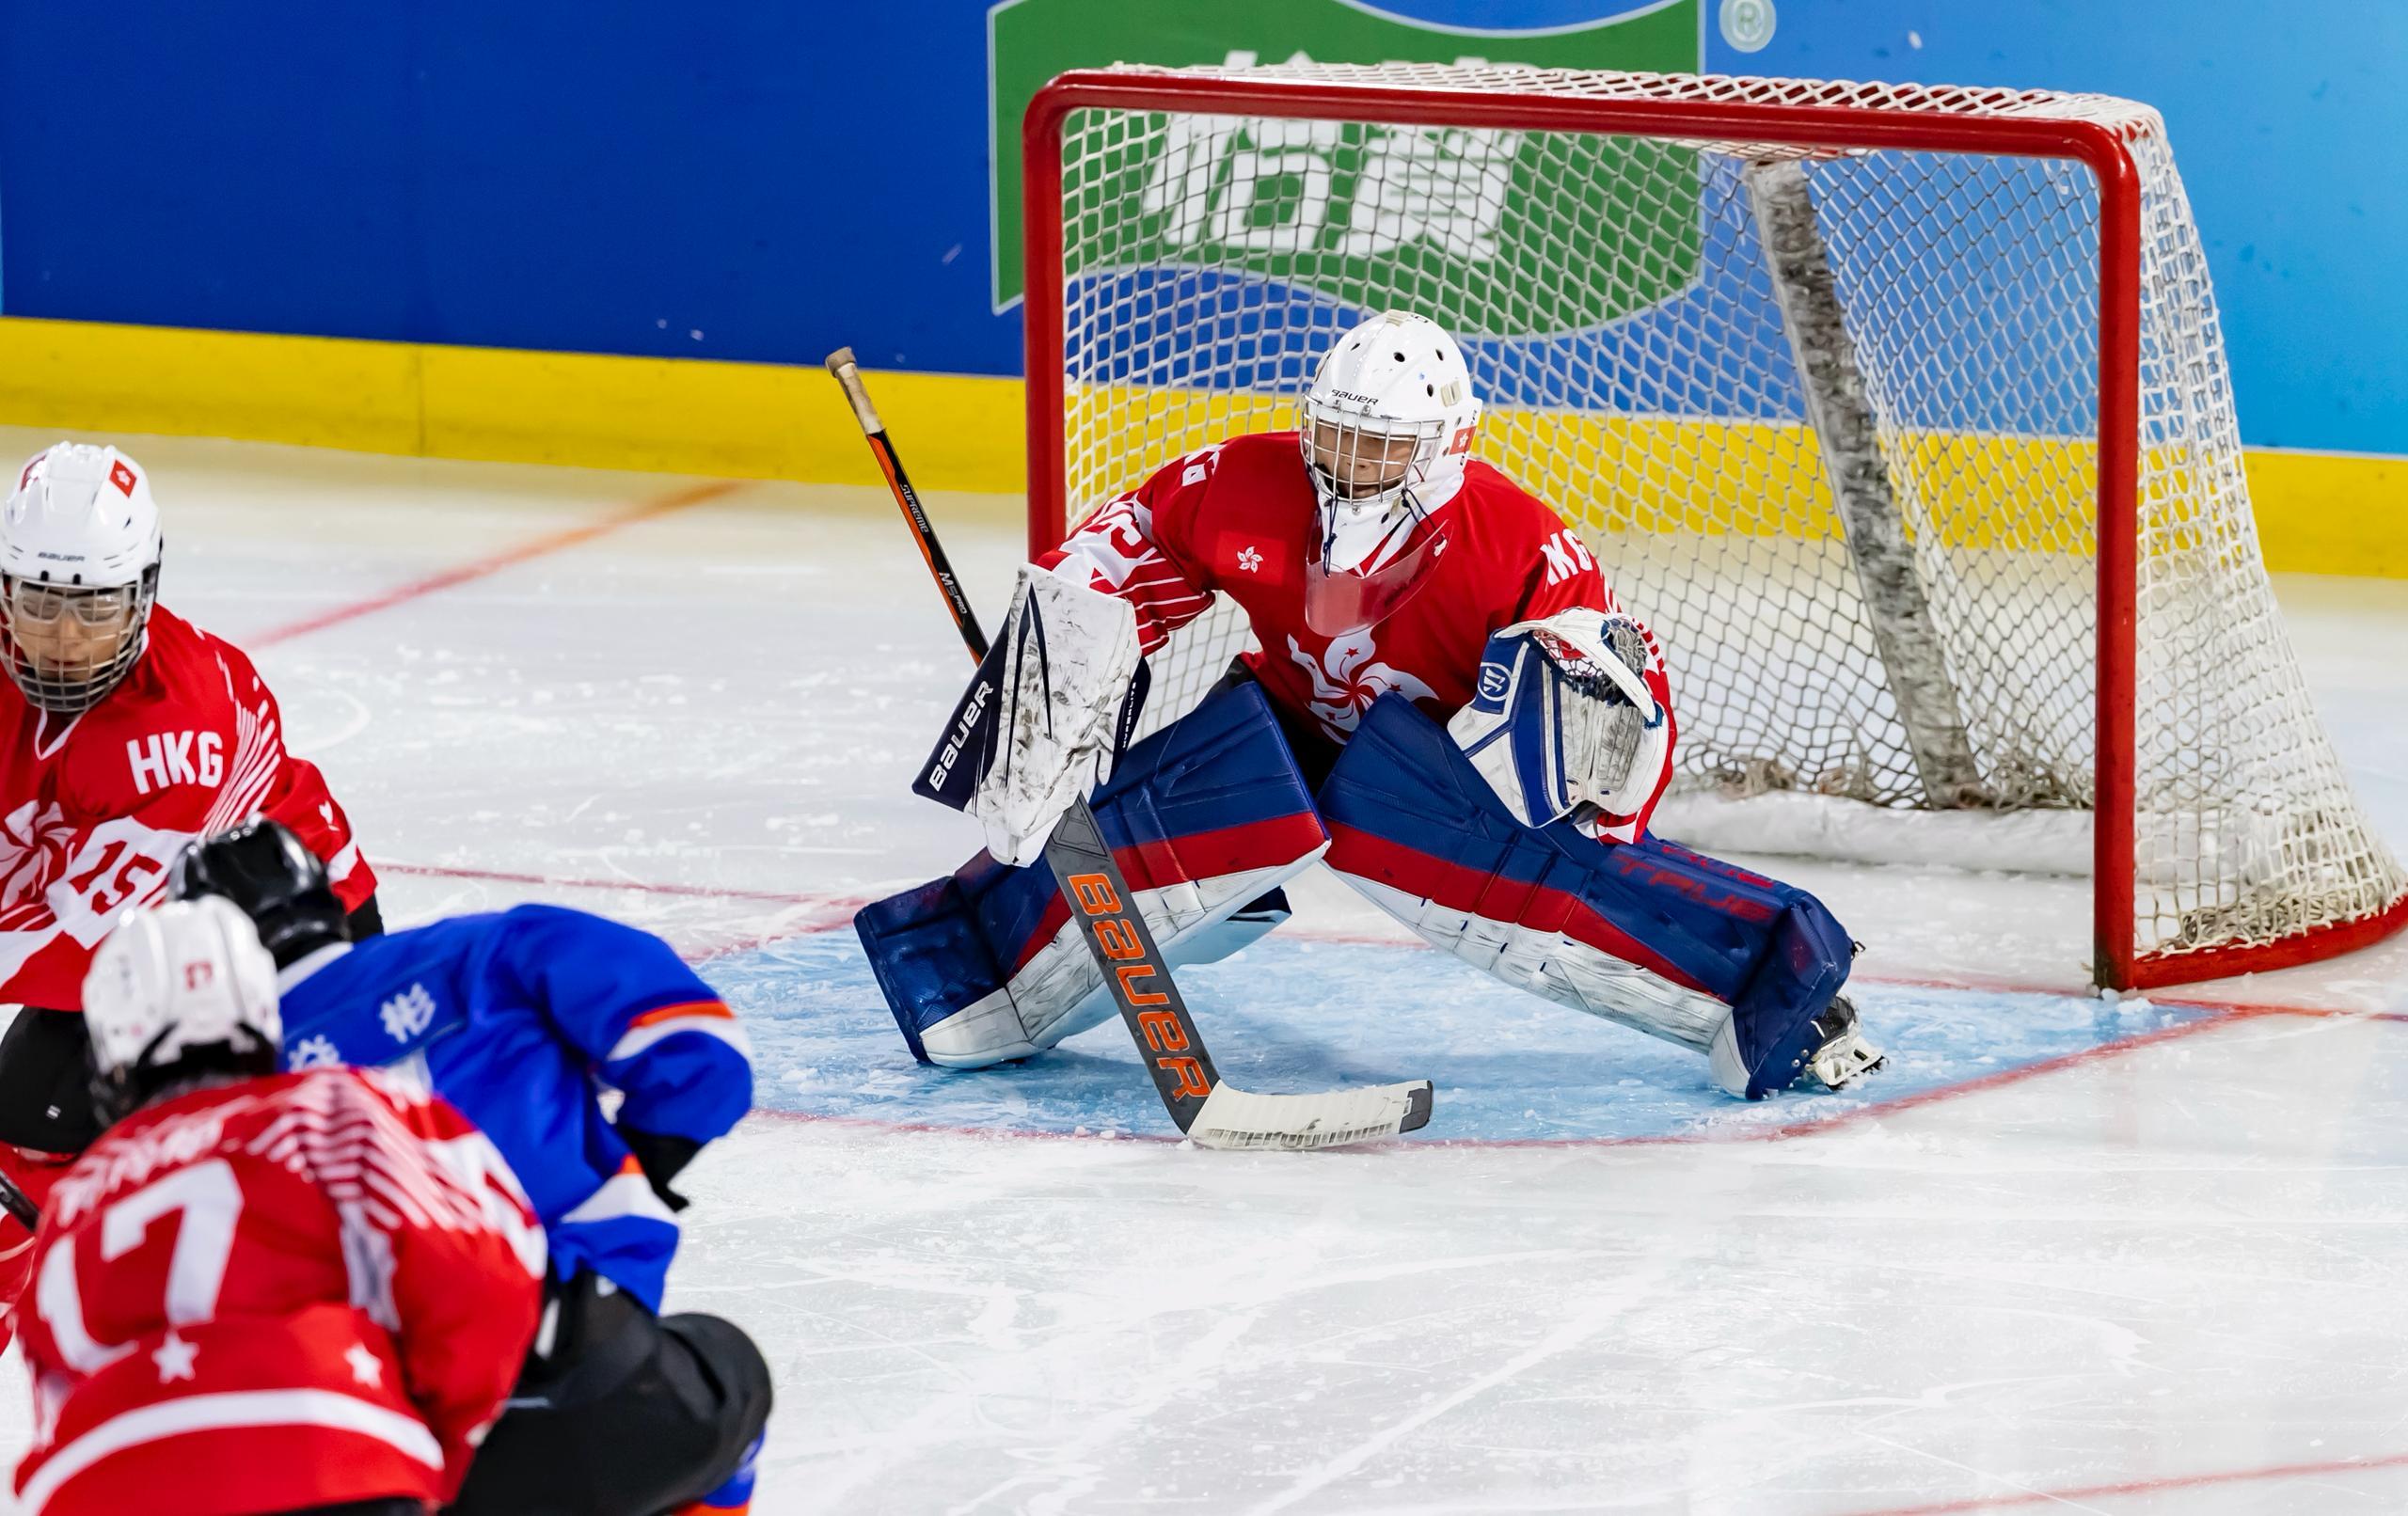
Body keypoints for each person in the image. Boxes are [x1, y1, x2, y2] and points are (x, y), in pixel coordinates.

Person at [858, 310, 1885, 1102]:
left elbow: (1602, 747)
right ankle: (967, 972)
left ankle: (1782, 991)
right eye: (1336, 436)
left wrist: (1581, 781)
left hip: (1436, 766)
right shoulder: (1245, 480)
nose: (1349, 466)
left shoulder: (1520, 547)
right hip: (1288, 724)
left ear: (1447, 442)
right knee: (1144, 822)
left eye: (1382, 446)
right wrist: (1056, 678)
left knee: (1538, 886)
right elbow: (1126, 552)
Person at [172, 819, 769, 1516]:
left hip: (380, 1439)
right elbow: (701, 1050)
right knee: (728, 1391)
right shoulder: (486, 950)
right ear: (328, 898)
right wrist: (647, 1158)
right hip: (585, 1353)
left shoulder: (211, 1101)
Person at [0, 442, 380, 1340]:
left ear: (144, 592)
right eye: (38, 601)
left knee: (267, 1173)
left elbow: (74, 947)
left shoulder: (178, 730)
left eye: (91, 609)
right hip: (113, 924)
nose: (60, 637)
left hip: (277, 936)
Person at [12, 898, 542, 1516]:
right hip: (329, 1454)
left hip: (102, 1484)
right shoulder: (333, 1110)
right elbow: (477, 1277)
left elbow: (52, 1371)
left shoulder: (81, 1192)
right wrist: (439, 1446)